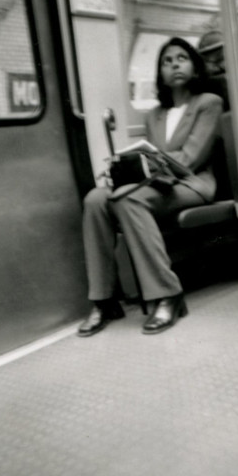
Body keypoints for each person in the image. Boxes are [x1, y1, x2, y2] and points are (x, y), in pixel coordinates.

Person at [78, 37, 223, 337]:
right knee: (95, 199)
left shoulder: (208, 103)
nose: (174, 65)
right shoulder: (153, 115)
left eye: (181, 58)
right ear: (160, 74)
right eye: (167, 62)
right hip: (158, 183)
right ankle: (104, 300)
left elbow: (191, 158)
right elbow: (152, 160)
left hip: (192, 183)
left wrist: (148, 165)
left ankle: (168, 293)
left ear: (195, 67)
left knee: (127, 199)